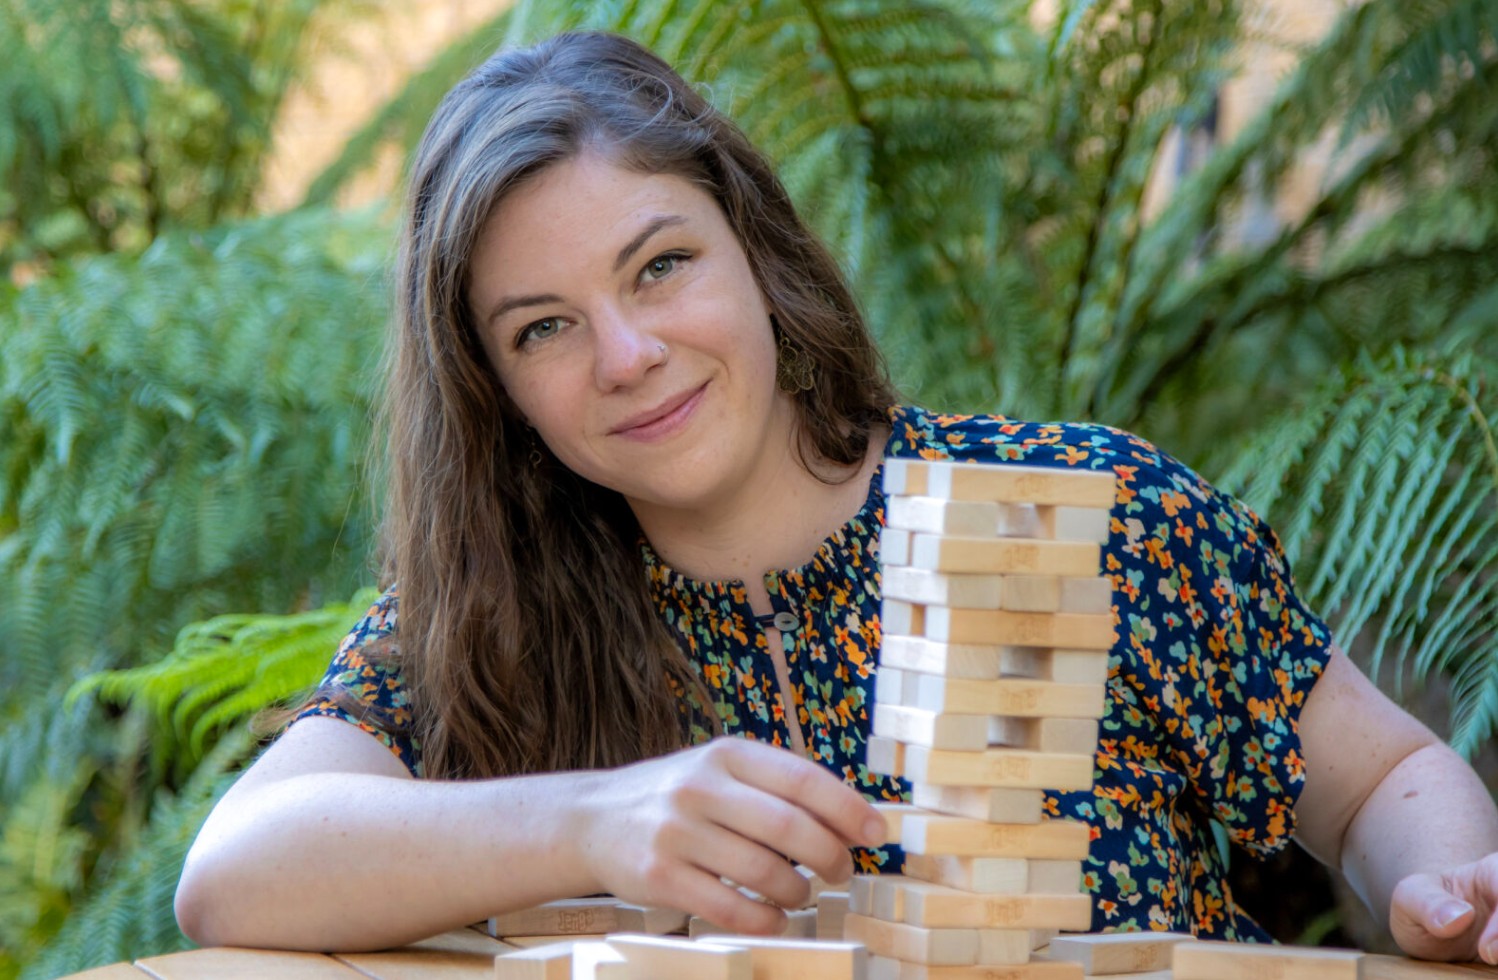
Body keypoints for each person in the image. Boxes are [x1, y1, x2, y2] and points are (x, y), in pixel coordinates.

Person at [173, 30, 1498, 963]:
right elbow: (237, 873)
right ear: (496, 389)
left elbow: (1378, 780)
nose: (627, 355)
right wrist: (594, 821)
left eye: (659, 266)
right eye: (543, 328)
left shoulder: (1096, 515)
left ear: (754, 249)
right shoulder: (485, 626)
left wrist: (1444, 890)